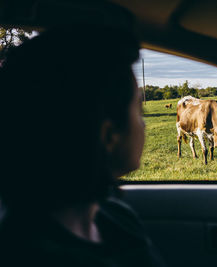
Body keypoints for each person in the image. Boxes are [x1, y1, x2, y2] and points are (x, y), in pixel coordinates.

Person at [0, 24, 165, 267]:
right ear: (109, 136)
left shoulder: (113, 216)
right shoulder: (30, 255)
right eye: (139, 111)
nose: (143, 125)